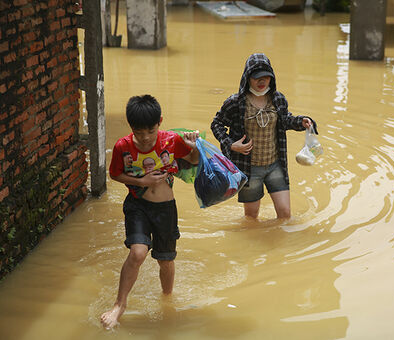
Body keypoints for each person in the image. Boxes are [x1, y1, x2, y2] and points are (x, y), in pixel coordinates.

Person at [101, 94, 199, 329]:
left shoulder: (171, 141)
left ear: (160, 122)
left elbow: (194, 160)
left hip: (166, 209)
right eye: (138, 132)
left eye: (150, 131)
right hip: (137, 205)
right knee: (137, 253)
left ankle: (167, 300)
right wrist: (142, 182)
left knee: (166, 260)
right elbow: (114, 174)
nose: (144, 138)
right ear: (130, 127)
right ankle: (119, 305)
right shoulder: (122, 147)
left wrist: (193, 146)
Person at [211, 53, 317, 219]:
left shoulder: (278, 99)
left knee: (285, 214)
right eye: (257, 78)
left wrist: (301, 122)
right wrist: (231, 144)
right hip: (250, 168)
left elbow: (285, 120)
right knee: (251, 217)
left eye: (266, 77)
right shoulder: (236, 103)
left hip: (275, 165)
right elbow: (216, 124)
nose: (262, 82)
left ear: (271, 78)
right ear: (248, 78)